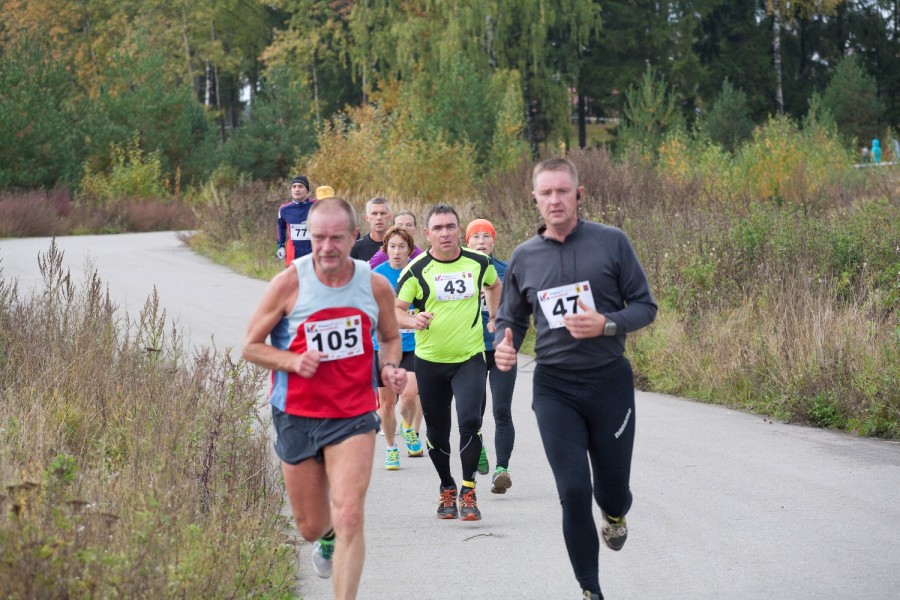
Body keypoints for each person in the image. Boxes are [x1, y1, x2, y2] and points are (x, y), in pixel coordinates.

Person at [493, 157, 657, 600]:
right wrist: (505, 347)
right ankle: (590, 590)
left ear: (579, 195)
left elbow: (645, 306)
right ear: (534, 199)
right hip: (554, 388)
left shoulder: (612, 242)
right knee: (572, 490)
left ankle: (617, 514)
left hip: (609, 384)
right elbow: (510, 319)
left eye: (562, 191)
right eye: (545, 193)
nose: (554, 200)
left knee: (611, 491)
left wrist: (606, 324)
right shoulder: (525, 256)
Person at [243, 197, 408, 600]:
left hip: (353, 412)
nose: (327, 247)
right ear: (309, 236)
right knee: (310, 525)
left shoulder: (374, 284)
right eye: (319, 237)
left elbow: (390, 337)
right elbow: (251, 346)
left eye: (336, 237)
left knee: (350, 513)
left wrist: (388, 368)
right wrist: (293, 361)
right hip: (296, 414)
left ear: (355, 236)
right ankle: (326, 536)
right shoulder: (289, 283)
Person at [395, 204, 501, 521]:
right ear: (427, 234)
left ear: (459, 230)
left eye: (451, 226)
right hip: (429, 362)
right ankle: (447, 487)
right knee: (438, 434)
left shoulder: (479, 262)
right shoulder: (415, 271)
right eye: (438, 228)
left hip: (469, 358)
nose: (445, 233)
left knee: (470, 422)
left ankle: (469, 490)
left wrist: (495, 317)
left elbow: (494, 285)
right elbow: (396, 310)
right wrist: (413, 321)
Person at [465, 218, 518, 493]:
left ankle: (502, 469)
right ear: (468, 242)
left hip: (501, 351)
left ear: (494, 241)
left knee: (502, 411)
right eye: (476, 236)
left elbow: (519, 311)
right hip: (471, 351)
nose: (482, 241)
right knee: (473, 414)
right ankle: (480, 448)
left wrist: (507, 329)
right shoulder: (460, 272)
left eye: (487, 236)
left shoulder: (506, 271)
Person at [372, 225, 424, 469]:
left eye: (402, 246)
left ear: (410, 249)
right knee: (387, 403)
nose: (396, 251)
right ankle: (391, 448)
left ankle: (408, 427)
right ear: (385, 249)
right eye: (392, 246)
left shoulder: (418, 273)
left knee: (410, 394)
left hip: (413, 344)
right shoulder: (376, 275)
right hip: (382, 346)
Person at [276, 175, 315, 265]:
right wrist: (280, 246)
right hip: (293, 255)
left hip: (313, 253)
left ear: (307, 190)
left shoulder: (316, 205)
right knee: (293, 279)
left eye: (300, 186)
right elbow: (281, 227)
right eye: (294, 186)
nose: (297, 189)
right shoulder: (284, 209)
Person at [350, 197, 392, 262]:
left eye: (383, 213)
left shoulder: (399, 246)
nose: (379, 217)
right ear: (367, 218)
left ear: (389, 217)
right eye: (374, 213)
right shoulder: (356, 247)